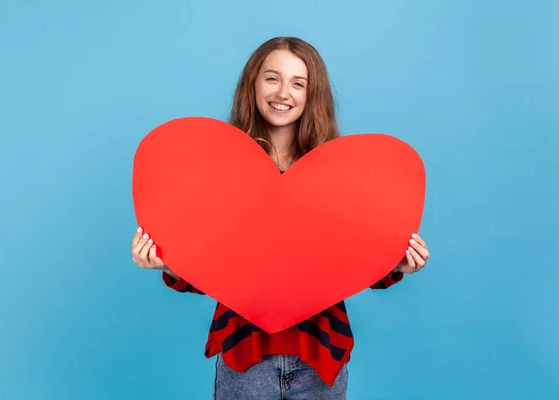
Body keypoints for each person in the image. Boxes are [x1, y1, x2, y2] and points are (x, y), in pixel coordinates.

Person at [131, 36, 430, 400]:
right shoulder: (222, 169)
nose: (283, 92)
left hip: (321, 350)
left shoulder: (338, 173)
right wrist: (167, 264)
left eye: (298, 83)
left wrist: (398, 263)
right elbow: (208, 266)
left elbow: (355, 259)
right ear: (253, 84)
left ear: (311, 94)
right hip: (244, 350)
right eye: (272, 78)